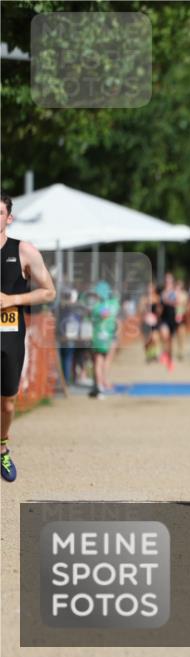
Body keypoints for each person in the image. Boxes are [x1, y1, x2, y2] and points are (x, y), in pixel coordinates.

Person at [0, 192, 57, 482]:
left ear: (8, 218)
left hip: (9, 335)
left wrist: (11, 300)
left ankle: (2, 447)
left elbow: (49, 291)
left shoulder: (23, 250)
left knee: (8, 403)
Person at [88, 281, 120, 399]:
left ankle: (102, 384)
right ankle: (101, 385)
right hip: (103, 337)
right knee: (101, 361)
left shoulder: (98, 305)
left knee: (101, 361)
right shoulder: (103, 305)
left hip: (102, 336)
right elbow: (106, 314)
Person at [157, 272, 178, 371]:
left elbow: (176, 303)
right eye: (166, 280)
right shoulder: (162, 293)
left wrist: (167, 301)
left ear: (172, 281)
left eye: (169, 280)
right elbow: (160, 306)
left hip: (172, 319)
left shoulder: (174, 292)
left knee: (170, 342)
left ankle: (170, 360)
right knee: (164, 336)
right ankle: (164, 353)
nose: (167, 282)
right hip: (164, 318)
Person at [174, 279, 190, 361]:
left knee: (182, 334)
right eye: (178, 285)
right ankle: (178, 350)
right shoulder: (173, 294)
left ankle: (181, 351)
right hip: (174, 316)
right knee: (177, 335)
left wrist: (186, 309)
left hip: (182, 316)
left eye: (180, 285)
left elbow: (188, 305)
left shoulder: (185, 295)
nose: (179, 287)